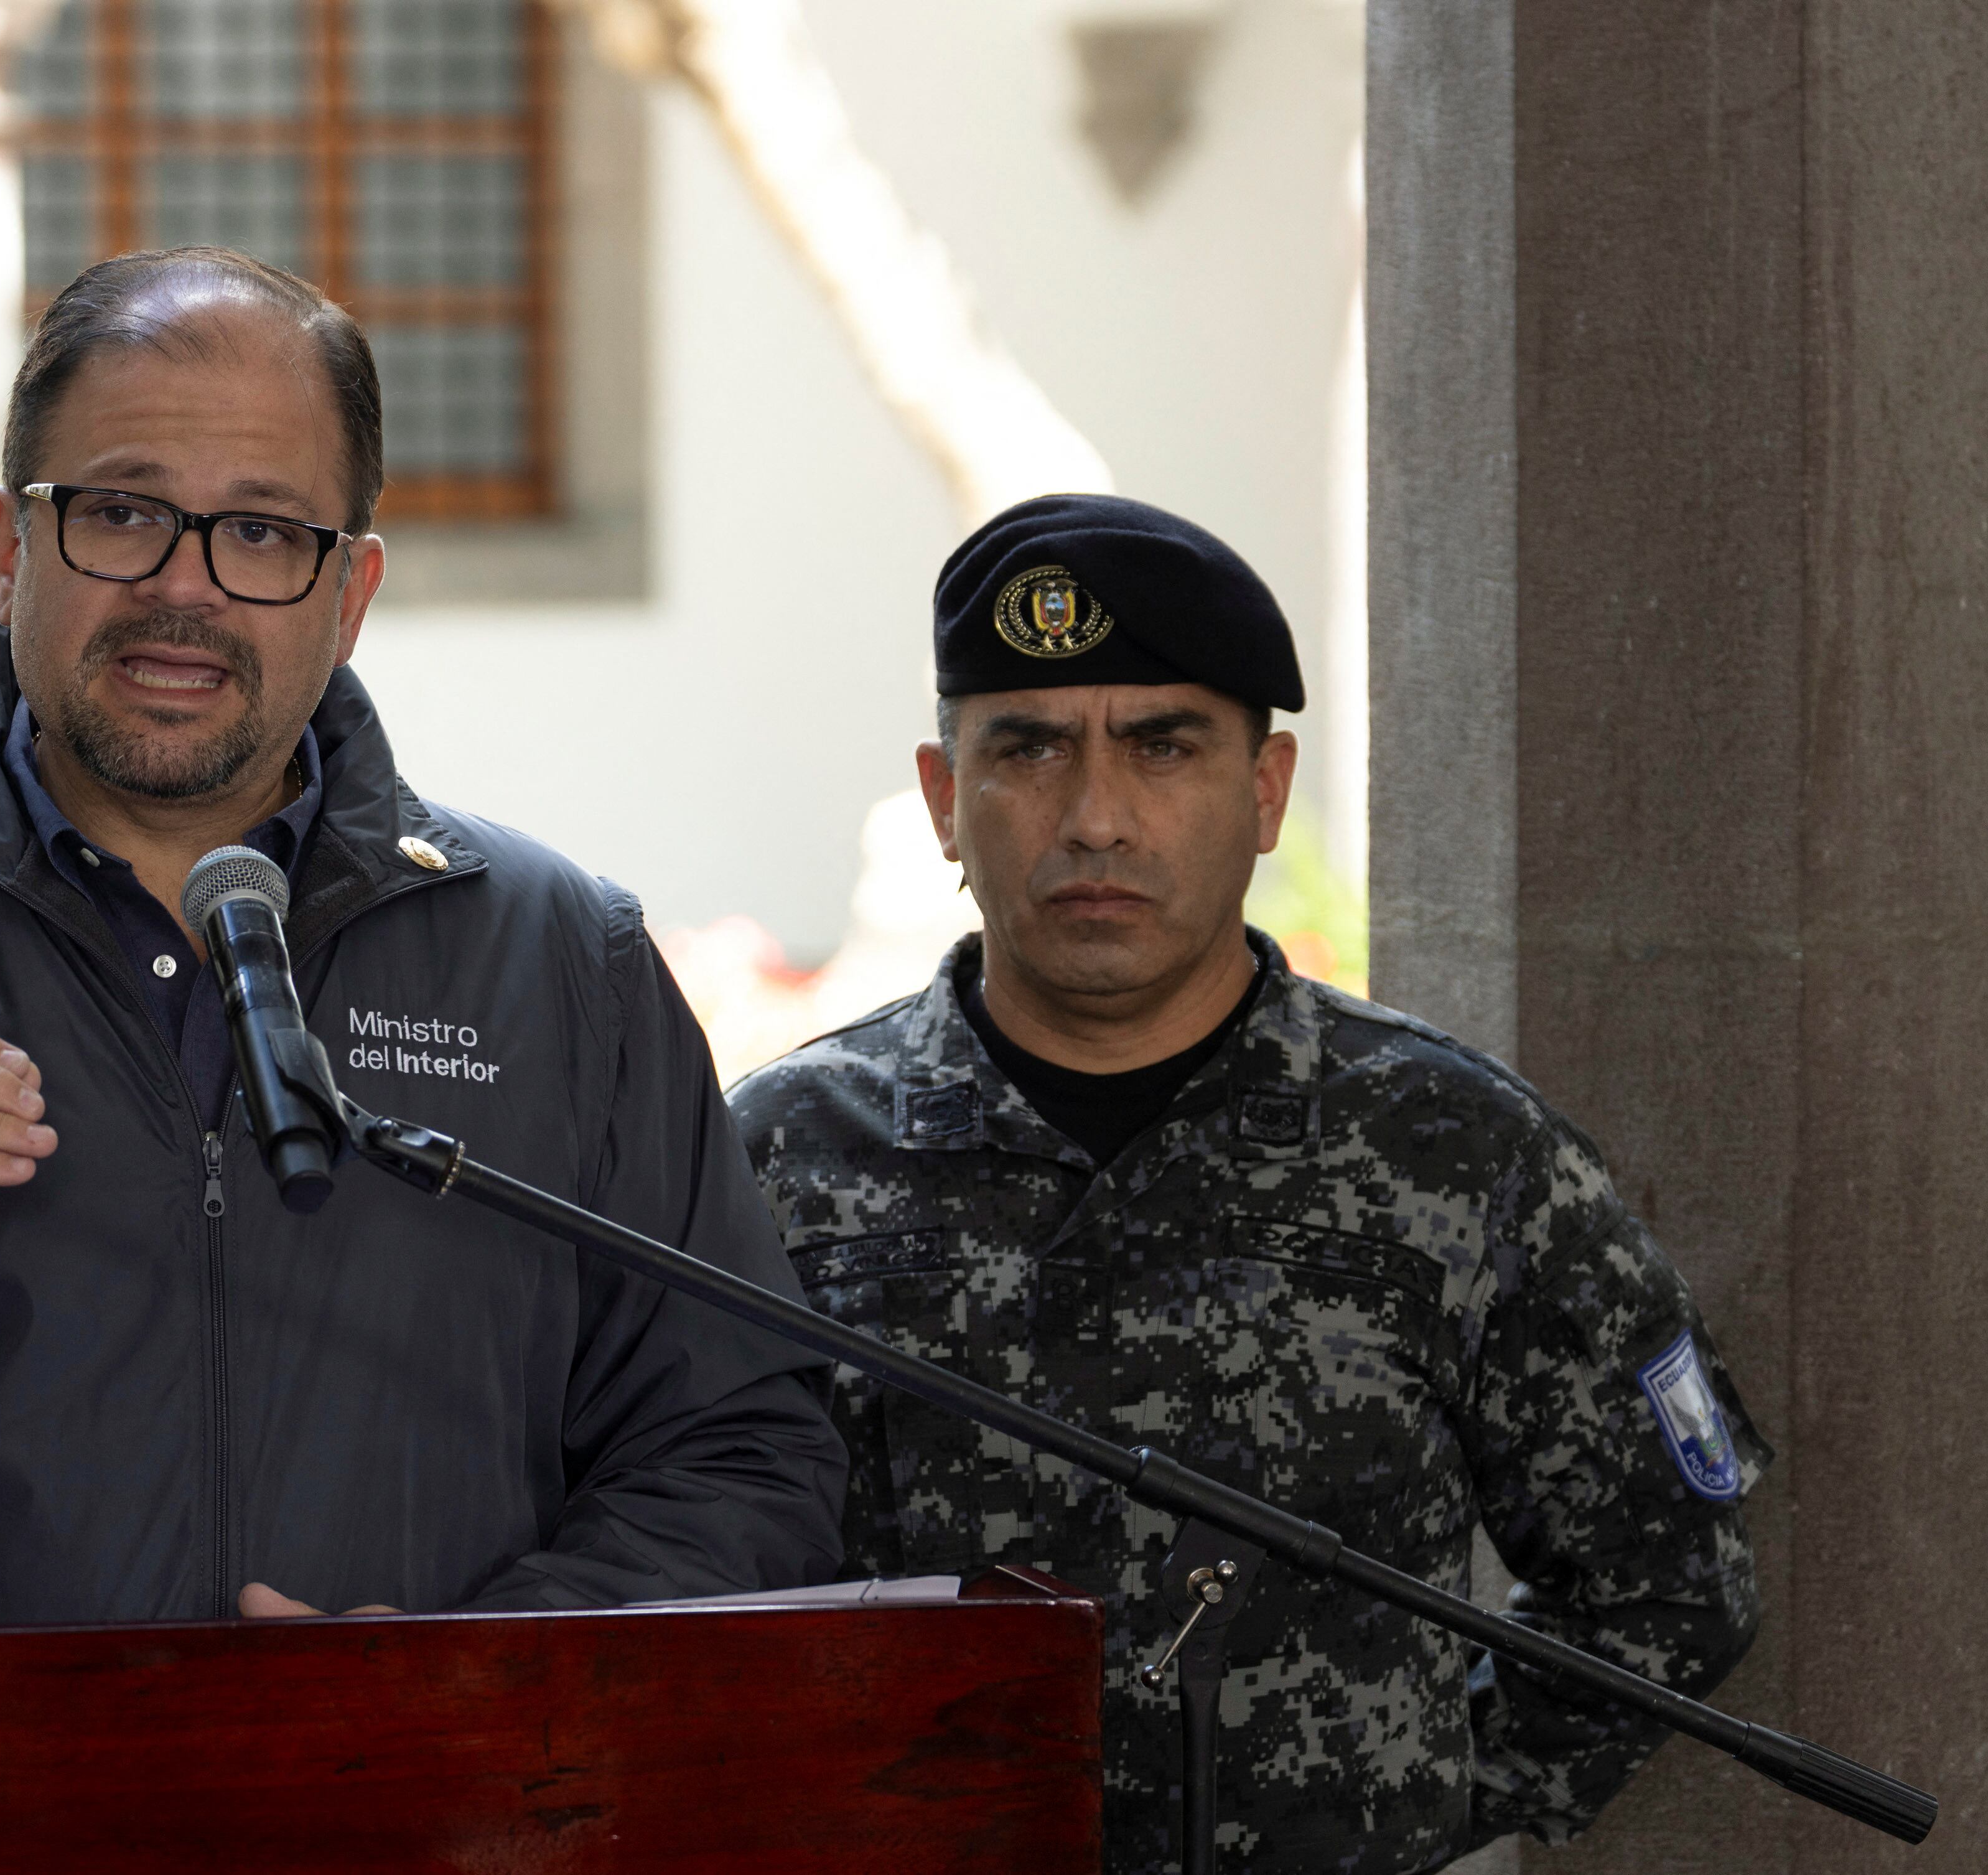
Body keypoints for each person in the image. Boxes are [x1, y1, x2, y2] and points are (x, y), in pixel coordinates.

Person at [0, 247, 844, 1693]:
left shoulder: (563, 962)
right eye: (120, 512)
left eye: (263, 532)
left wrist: (484, 1671)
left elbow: (749, 1456)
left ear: (350, 592)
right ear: (7, 551)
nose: (186, 588)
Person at [727, 495, 1766, 1875]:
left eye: (1165, 747)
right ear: (943, 800)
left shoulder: (1454, 1150)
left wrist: (1404, 1793)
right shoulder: (780, 1158)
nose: (1096, 817)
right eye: (1029, 749)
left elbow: (1668, 1578)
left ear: (1266, 792)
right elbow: (671, 1578)